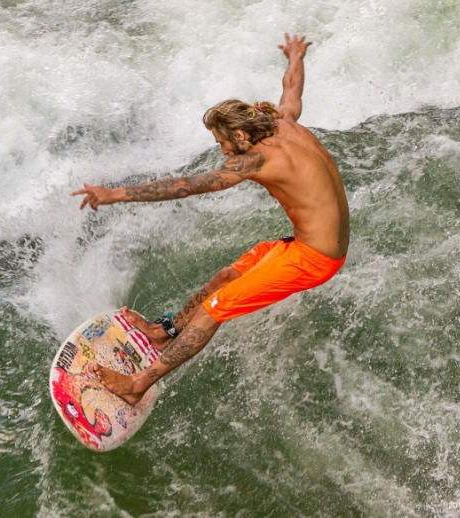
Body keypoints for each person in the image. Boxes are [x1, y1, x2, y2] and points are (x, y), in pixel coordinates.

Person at [70, 34, 350, 405]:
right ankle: (160, 332)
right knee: (225, 278)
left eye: (221, 142)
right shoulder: (280, 121)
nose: (221, 150)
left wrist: (115, 194)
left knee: (215, 308)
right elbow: (292, 91)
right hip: (304, 245)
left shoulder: (256, 159)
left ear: (238, 134)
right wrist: (295, 56)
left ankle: (138, 385)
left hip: (315, 259)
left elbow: (187, 186)